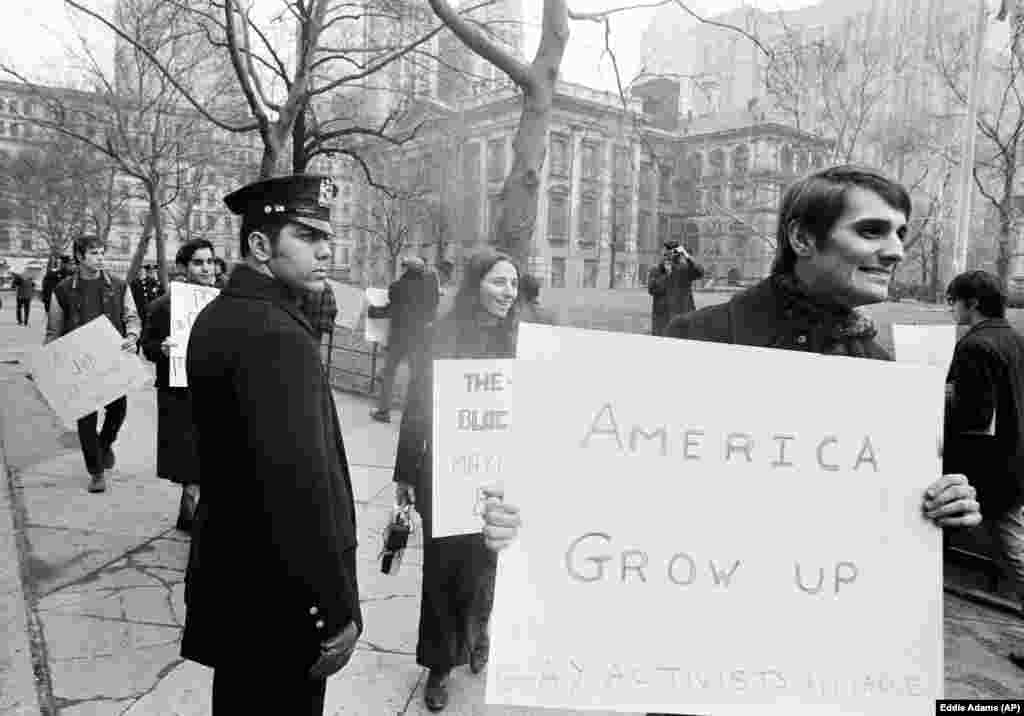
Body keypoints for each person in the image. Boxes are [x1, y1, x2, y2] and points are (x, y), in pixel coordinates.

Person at [652, 166, 982, 714]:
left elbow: (884, 535)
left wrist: (940, 508)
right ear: (802, 238)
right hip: (703, 659)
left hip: (822, 667)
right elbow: (620, 490)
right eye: (873, 231)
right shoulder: (698, 338)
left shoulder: (881, 372)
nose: (897, 250)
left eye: (901, 233)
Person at [393, 248, 519, 712]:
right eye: (498, 282)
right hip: (445, 475)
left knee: (487, 566)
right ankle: (440, 663)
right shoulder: (440, 335)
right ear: (475, 285)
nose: (508, 292)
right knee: (444, 572)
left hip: (500, 478)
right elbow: (418, 409)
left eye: (513, 284)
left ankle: (479, 631)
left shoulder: (525, 339)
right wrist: (406, 472)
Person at [943, 269, 1024, 670]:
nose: (951, 309)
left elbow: (973, 418)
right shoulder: (1012, 338)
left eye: (953, 300)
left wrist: (945, 397)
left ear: (971, 303)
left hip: (989, 471)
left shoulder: (974, 345)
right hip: (1014, 459)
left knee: (1013, 553)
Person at [46, 235, 141, 494]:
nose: (100, 258)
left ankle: (105, 443)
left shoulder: (119, 286)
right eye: (94, 253)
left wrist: (132, 337)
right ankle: (96, 471)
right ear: (79, 256)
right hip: (79, 363)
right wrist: (48, 364)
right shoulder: (63, 290)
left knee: (118, 410)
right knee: (85, 419)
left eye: (101, 252)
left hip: (112, 361)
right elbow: (53, 331)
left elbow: (132, 318)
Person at [139, 239, 216, 532]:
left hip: (215, 389)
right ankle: (192, 515)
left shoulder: (224, 301)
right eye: (199, 262)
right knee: (190, 460)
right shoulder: (163, 306)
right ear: (184, 268)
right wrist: (164, 348)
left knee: (211, 456)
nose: (206, 268)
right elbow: (147, 346)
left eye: (210, 261)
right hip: (179, 392)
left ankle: (192, 515)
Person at [370, 255, 440, 423]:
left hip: (398, 337)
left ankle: (383, 412)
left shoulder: (397, 287)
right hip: (420, 338)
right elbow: (433, 307)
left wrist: (373, 310)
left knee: (389, 374)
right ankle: (413, 415)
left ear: (406, 269)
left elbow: (391, 309)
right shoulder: (429, 288)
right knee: (416, 377)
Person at [647, 244, 674, 336]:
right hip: (661, 312)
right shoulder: (655, 270)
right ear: (661, 256)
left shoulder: (680, 269)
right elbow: (651, 289)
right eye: (665, 255)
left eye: (670, 255)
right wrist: (667, 275)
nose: (667, 258)